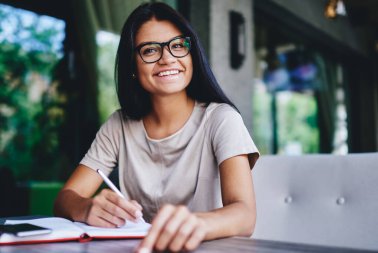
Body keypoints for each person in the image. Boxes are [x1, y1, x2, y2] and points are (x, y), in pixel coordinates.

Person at [54, 2, 259, 253]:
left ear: (192, 54)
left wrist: (191, 224)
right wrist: (86, 208)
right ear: (132, 66)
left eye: (178, 46)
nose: (167, 58)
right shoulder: (119, 126)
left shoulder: (222, 119)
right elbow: (66, 197)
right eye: (150, 50)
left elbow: (245, 215)